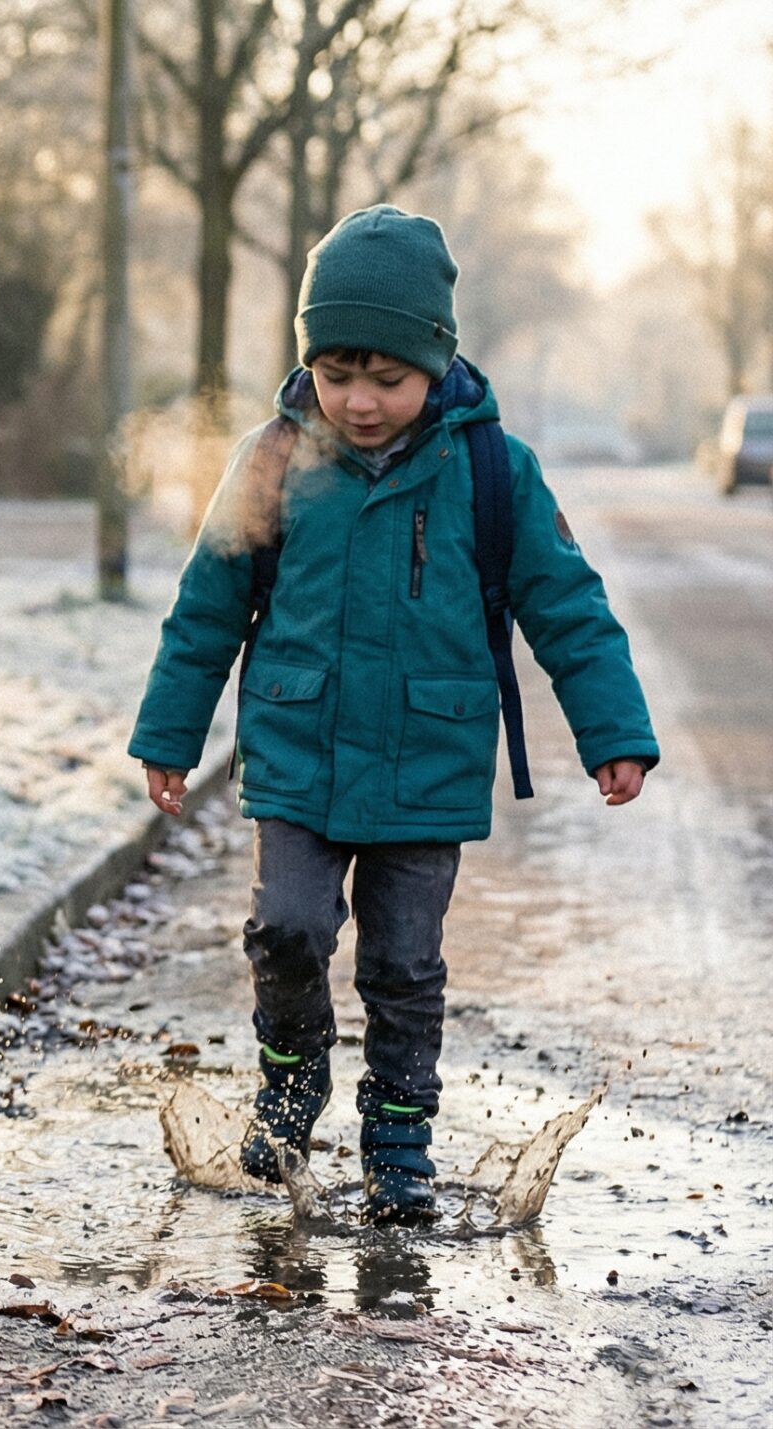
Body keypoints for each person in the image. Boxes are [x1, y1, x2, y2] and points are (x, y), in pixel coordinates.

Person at [128, 205, 657, 1225]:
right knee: (284, 929)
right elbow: (205, 607)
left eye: (386, 377)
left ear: (434, 361)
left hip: (428, 759)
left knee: (403, 966)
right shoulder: (274, 460)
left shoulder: (491, 471)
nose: (360, 401)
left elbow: (567, 606)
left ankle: (398, 1138)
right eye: (336, 374)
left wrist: (614, 732)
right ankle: (289, 1082)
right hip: (295, 749)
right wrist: (169, 738)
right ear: (308, 362)